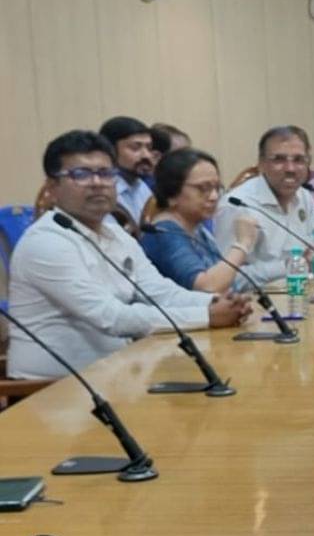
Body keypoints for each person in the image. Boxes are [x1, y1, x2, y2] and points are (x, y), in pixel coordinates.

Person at [8, 131, 251, 379]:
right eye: (80, 174)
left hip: (111, 375)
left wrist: (213, 304)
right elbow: (111, 317)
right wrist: (206, 316)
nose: (97, 182)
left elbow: (159, 292)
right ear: (52, 187)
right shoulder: (46, 243)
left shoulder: (117, 235)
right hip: (48, 391)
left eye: (105, 173)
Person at [214, 125, 314, 284]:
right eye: (279, 160)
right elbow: (229, 280)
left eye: (299, 160)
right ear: (261, 164)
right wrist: (289, 266)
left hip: (303, 295)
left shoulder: (304, 197)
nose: (290, 168)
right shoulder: (237, 206)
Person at [140, 148, 261, 292]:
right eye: (203, 188)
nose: (214, 197)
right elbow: (208, 287)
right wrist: (243, 243)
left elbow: (228, 284)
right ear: (171, 193)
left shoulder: (197, 227)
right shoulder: (164, 233)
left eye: (217, 188)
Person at [99, 115, 155, 224]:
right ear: (111, 150)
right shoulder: (102, 189)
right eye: (135, 148)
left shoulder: (142, 186)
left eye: (149, 148)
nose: (146, 155)